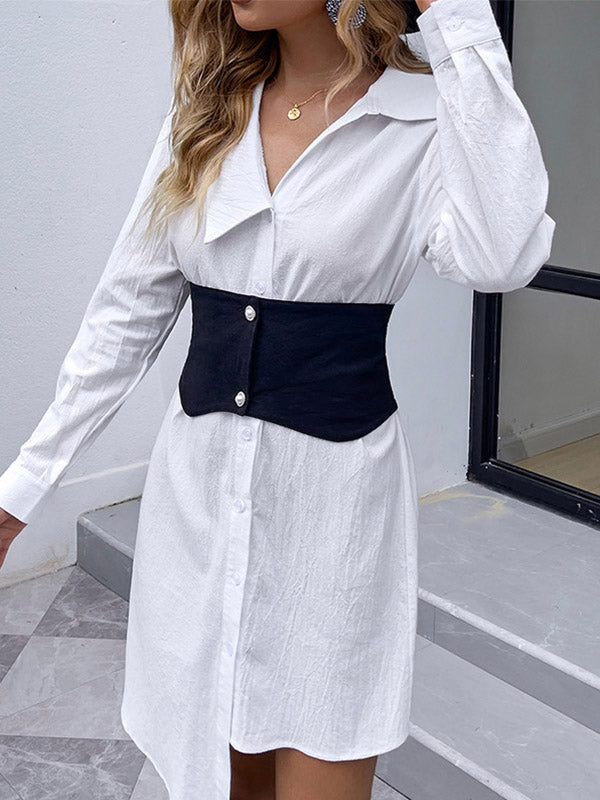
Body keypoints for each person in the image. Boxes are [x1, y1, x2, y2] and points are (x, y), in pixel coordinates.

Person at [0, 0, 555, 798]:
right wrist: (25, 486)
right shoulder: (204, 117)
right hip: (197, 516)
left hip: (333, 531)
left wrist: (458, 17)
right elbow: (124, 317)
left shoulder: (427, 114)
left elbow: (503, 255)